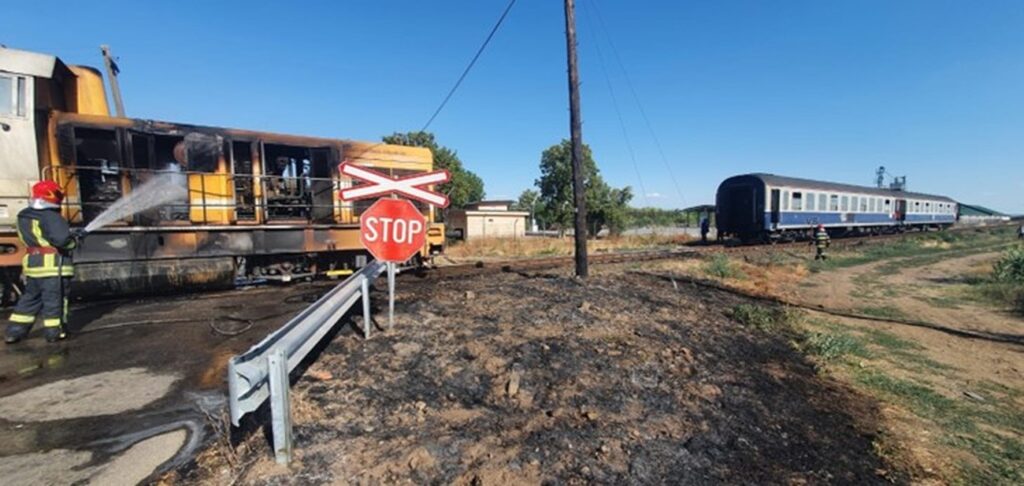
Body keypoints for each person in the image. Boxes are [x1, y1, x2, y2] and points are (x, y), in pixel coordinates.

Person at [5, 180, 81, 344]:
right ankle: (55, 332)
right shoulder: (52, 216)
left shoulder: (23, 215)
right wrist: (74, 241)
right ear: (52, 196)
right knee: (55, 300)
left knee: (30, 299)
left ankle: (14, 332)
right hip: (54, 266)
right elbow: (62, 241)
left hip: (33, 265)